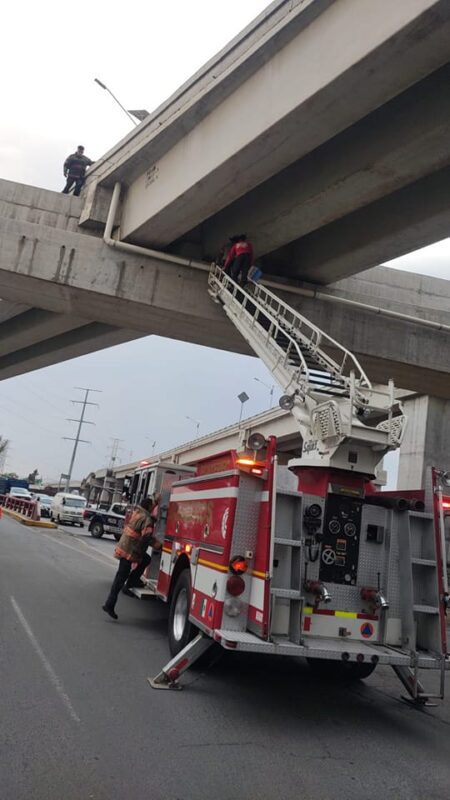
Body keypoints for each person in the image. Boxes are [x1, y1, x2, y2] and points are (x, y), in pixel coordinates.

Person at [102, 495, 161, 620]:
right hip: (131, 550)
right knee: (120, 578)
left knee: (145, 560)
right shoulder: (147, 519)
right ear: (149, 507)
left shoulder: (138, 512)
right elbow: (146, 537)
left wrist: (155, 501)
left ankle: (129, 583)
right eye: (152, 506)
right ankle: (111, 603)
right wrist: (158, 545)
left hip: (125, 547)